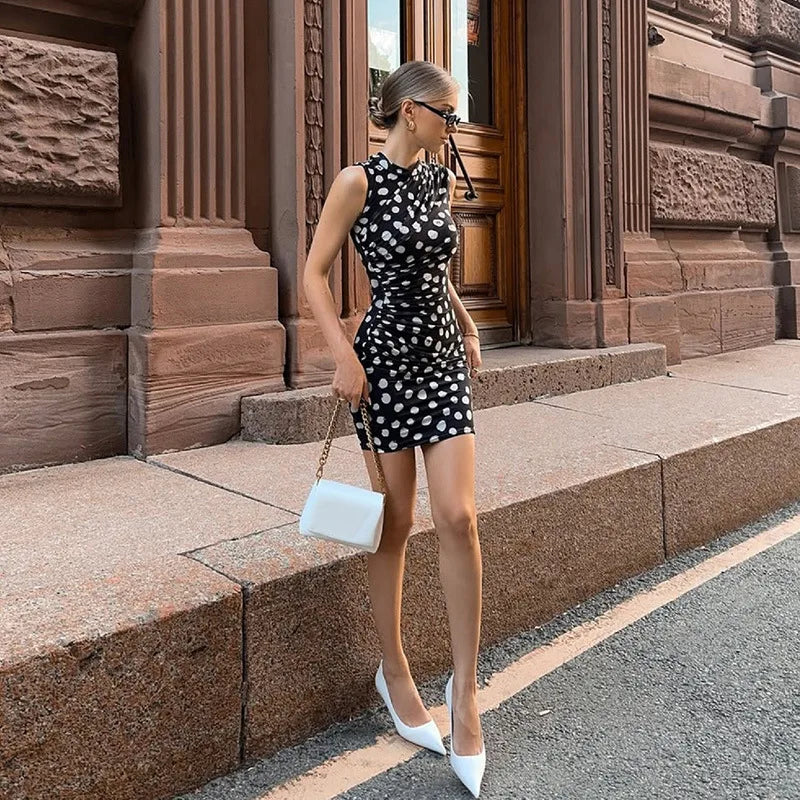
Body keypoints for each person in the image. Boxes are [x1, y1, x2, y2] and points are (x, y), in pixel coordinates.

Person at [302, 59, 485, 796]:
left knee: (459, 516)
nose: (455, 127)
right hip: (382, 367)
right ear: (412, 111)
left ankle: (465, 692)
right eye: (449, 114)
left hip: (440, 360)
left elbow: (436, 270)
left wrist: (466, 323)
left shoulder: (440, 181)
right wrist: (342, 356)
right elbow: (313, 274)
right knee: (397, 520)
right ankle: (395, 670)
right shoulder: (359, 182)